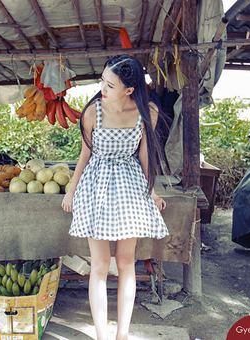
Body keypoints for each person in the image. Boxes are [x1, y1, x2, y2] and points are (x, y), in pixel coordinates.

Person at [61, 54, 169, 340]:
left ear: (129, 89)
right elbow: (85, 153)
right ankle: (101, 335)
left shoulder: (148, 112)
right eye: (102, 81)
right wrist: (71, 190)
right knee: (99, 265)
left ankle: (122, 334)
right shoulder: (91, 112)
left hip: (129, 188)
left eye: (110, 84)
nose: (102, 88)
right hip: (96, 186)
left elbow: (145, 154)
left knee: (125, 263)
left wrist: (152, 191)